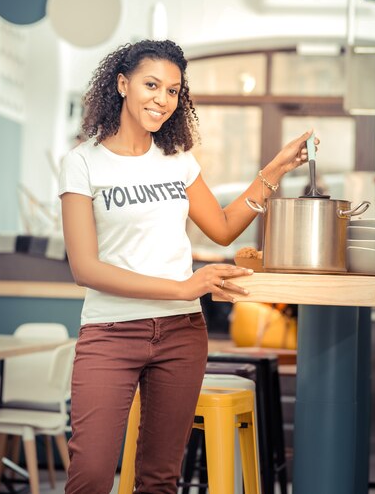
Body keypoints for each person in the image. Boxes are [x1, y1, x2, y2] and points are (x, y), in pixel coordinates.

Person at [59, 39, 317, 494]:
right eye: (151, 85)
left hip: (181, 335)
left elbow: (221, 227)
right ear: (122, 85)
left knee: (160, 479)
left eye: (173, 91)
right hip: (111, 334)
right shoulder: (82, 162)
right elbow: (85, 269)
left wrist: (275, 169)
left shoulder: (177, 160)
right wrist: (183, 287)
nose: (162, 99)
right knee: (92, 476)